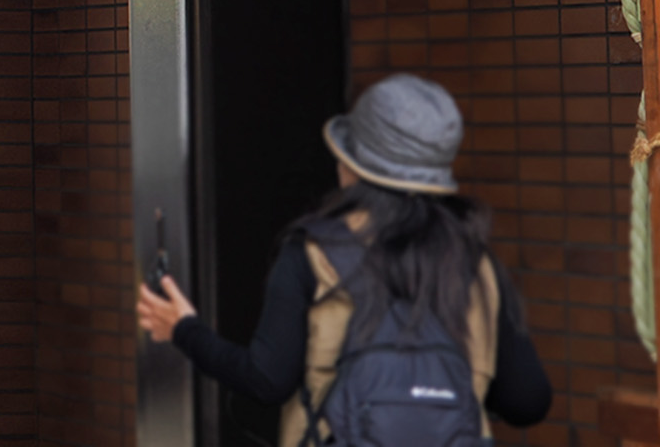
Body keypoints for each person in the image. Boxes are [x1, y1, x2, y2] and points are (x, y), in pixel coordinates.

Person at [137, 73, 554, 443]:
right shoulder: (474, 263)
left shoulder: (312, 252)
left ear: (355, 166)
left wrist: (184, 329)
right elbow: (528, 401)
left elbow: (266, 380)